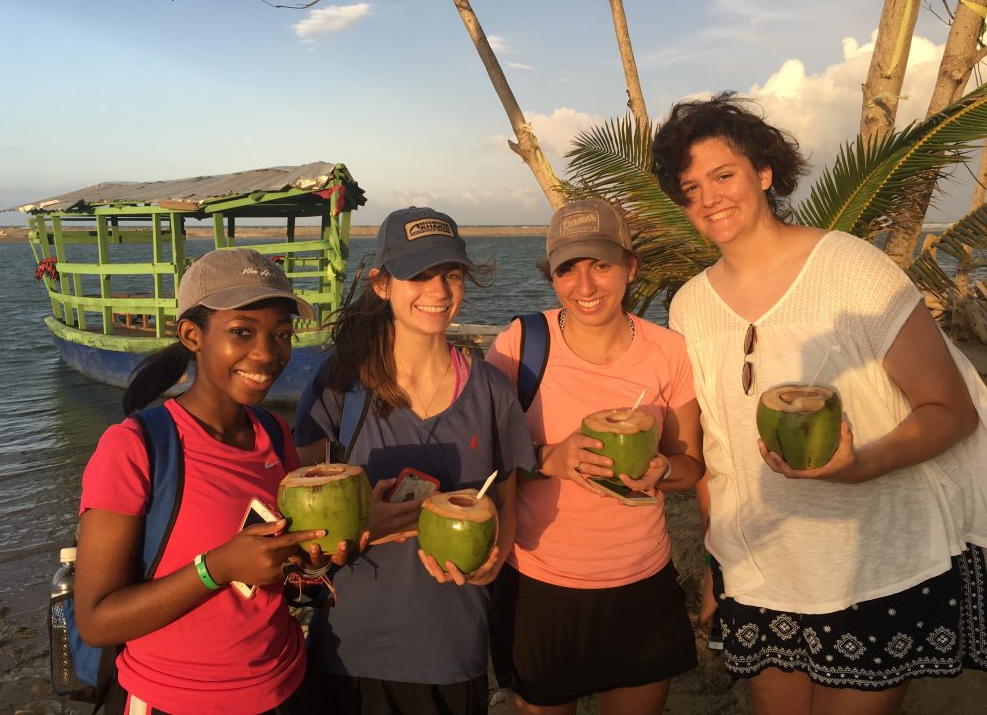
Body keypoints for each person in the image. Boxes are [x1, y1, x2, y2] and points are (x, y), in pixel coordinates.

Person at [653, 93, 987, 715]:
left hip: (873, 561)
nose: (708, 198)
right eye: (689, 187)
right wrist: (715, 569)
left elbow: (950, 410)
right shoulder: (689, 306)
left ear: (764, 173)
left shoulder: (849, 268)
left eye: (722, 175)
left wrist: (857, 466)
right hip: (760, 569)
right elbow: (719, 453)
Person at [75, 248, 340, 715]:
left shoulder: (275, 435)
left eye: (281, 334)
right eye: (241, 332)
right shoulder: (137, 447)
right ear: (192, 335)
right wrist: (214, 568)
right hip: (174, 698)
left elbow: (269, 570)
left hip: (285, 685)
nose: (267, 352)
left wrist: (311, 561)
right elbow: (97, 620)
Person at [294, 206, 536, 715]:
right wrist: (365, 523)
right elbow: (302, 513)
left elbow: (507, 499)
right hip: (351, 648)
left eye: (450, 274)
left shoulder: (490, 387)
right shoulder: (340, 385)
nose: (439, 291)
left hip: (453, 647)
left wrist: (493, 561)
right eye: (418, 275)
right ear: (382, 285)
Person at [485, 198, 704, 715]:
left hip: (641, 581)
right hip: (541, 584)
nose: (585, 288)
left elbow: (691, 463)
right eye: (568, 269)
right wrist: (547, 459)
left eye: (601, 265)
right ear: (552, 275)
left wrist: (662, 471)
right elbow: (484, 459)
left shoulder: (669, 352)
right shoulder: (521, 342)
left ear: (630, 267)